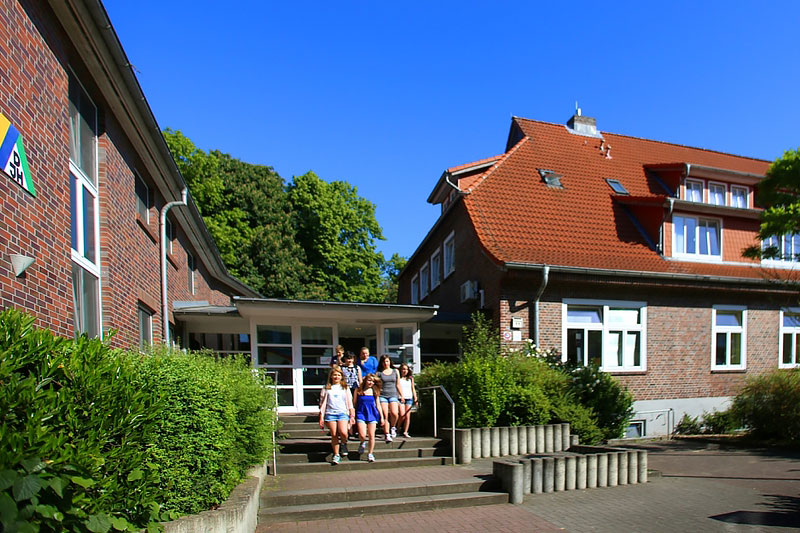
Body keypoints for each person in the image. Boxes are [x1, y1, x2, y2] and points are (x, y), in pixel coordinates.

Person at [318, 366, 355, 465]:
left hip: (342, 413)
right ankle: (336, 454)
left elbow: (350, 403)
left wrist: (352, 415)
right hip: (330, 414)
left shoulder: (345, 388)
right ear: (331, 376)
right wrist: (321, 417)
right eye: (334, 375)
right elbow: (322, 404)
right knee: (334, 434)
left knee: (343, 432)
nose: (336, 377)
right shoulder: (326, 388)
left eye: (338, 375)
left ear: (341, 377)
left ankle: (343, 443)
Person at [353, 373, 384, 462]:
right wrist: (352, 414)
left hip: (372, 414)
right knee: (362, 434)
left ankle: (370, 453)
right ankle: (362, 442)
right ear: (365, 380)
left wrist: (382, 417)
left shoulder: (375, 391)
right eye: (369, 380)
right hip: (361, 413)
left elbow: (378, 405)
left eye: (373, 381)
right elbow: (354, 403)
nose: (371, 382)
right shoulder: (358, 390)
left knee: (371, 435)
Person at [377, 354, 403, 442]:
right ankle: (387, 433)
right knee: (385, 415)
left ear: (390, 362)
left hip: (393, 394)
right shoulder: (379, 373)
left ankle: (393, 427)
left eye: (387, 361)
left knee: (394, 413)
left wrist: (401, 395)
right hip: (383, 395)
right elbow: (377, 385)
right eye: (384, 362)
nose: (385, 363)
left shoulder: (395, 371)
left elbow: (398, 384)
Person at [397, 362, 417, 438]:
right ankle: (397, 428)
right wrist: (401, 395)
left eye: (406, 369)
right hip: (400, 398)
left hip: (409, 398)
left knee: (408, 416)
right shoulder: (398, 378)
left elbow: (413, 388)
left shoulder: (410, 378)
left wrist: (415, 397)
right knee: (402, 415)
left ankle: (405, 431)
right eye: (403, 369)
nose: (404, 371)